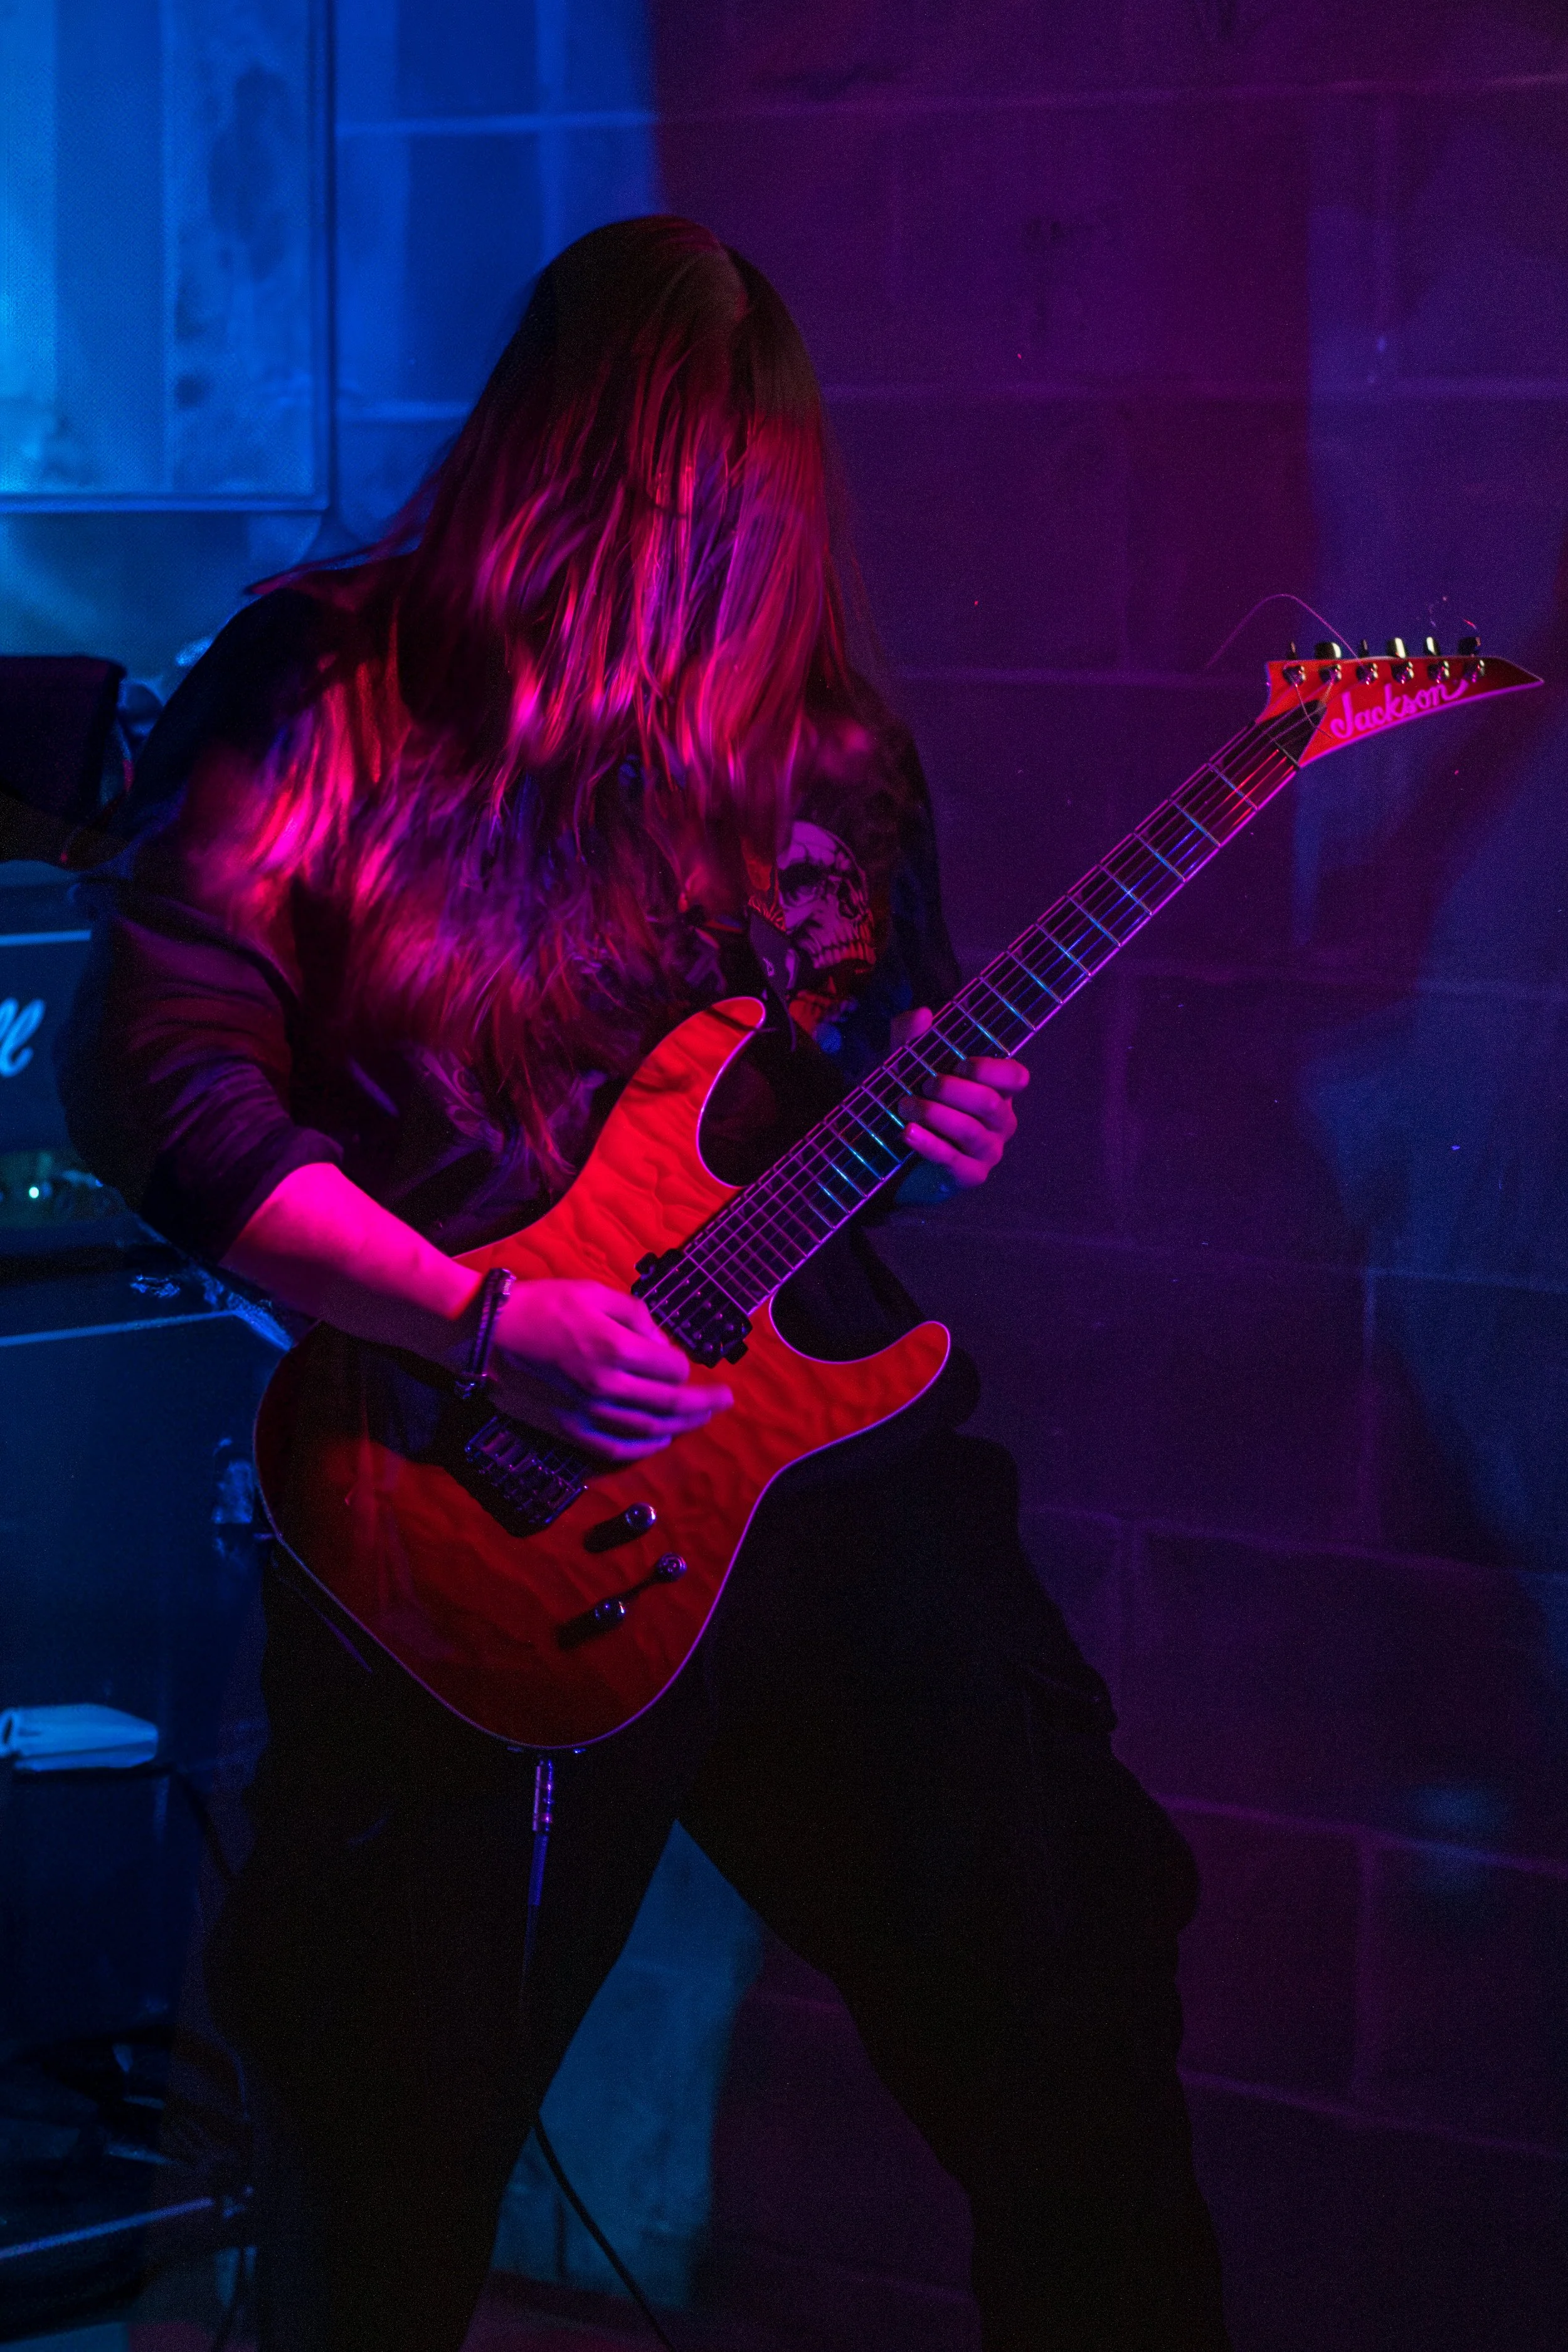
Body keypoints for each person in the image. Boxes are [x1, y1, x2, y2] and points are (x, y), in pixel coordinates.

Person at [58, 217, 1230, 2352]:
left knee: (1070, 1992)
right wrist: (477, 1320)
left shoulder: (826, 750)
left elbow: (842, 1090)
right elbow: (164, 1082)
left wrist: (922, 1124)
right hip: (464, 1489)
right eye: (661, 518)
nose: (700, 575)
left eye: (740, 529)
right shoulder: (327, 684)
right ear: (552, 480)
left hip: (809, 1474)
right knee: (385, 2146)